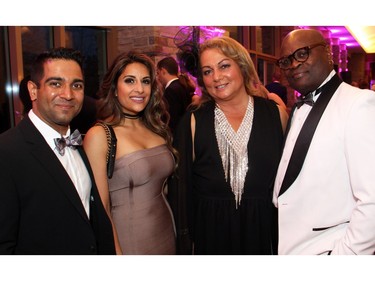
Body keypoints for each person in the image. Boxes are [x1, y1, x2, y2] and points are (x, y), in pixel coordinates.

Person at [168, 36, 288, 255]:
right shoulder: (193, 121)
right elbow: (181, 191)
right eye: (207, 71)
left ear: (242, 66)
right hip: (211, 234)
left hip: (264, 232)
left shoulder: (275, 115)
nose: (216, 77)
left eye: (224, 66)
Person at [0, 47, 115, 254]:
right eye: (56, 83)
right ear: (33, 90)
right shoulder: (6, 152)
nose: (68, 95)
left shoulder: (79, 143)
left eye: (76, 85)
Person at [273, 28, 375, 255]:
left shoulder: (359, 104)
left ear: (328, 53)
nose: (293, 65)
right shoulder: (297, 109)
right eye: (286, 60)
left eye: (302, 54)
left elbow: (372, 201)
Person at [83, 51, 177, 255]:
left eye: (145, 81)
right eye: (129, 81)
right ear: (115, 89)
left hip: (166, 231)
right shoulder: (100, 135)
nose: (139, 89)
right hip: (130, 240)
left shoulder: (156, 128)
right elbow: (102, 209)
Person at [157, 56, 194, 133]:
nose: (158, 77)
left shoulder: (170, 90)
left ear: (163, 71)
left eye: (158, 73)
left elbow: (172, 119)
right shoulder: (183, 85)